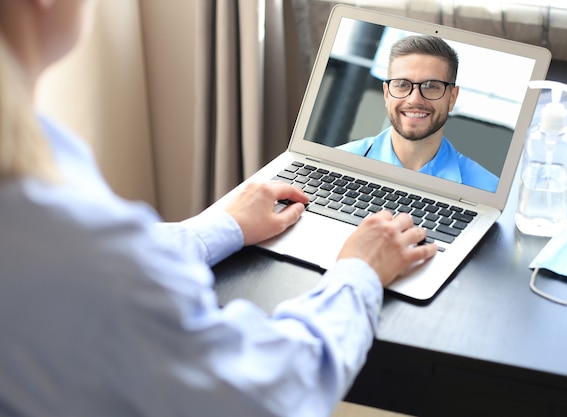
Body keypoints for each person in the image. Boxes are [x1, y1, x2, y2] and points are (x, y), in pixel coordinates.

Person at [0, 1, 438, 416]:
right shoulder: (79, 250)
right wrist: (359, 272)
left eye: (432, 87)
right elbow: (266, 394)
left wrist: (220, 226)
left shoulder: (36, 176)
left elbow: (104, 267)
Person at [338, 35, 499, 192]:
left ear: (452, 98)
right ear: (387, 94)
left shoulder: (487, 190)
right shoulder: (340, 162)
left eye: (431, 86)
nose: (414, 100)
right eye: (402, 84)